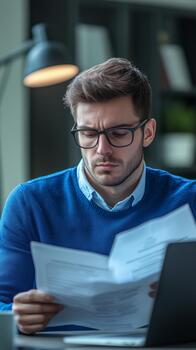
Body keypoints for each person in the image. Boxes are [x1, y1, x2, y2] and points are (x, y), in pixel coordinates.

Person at [0, 57, 195, 335]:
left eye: (118, 133)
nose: (102, 149)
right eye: (88, 133)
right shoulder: (30, 202)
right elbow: (2, 303)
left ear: (147, 132)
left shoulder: (191, 200)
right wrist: (16, 316)